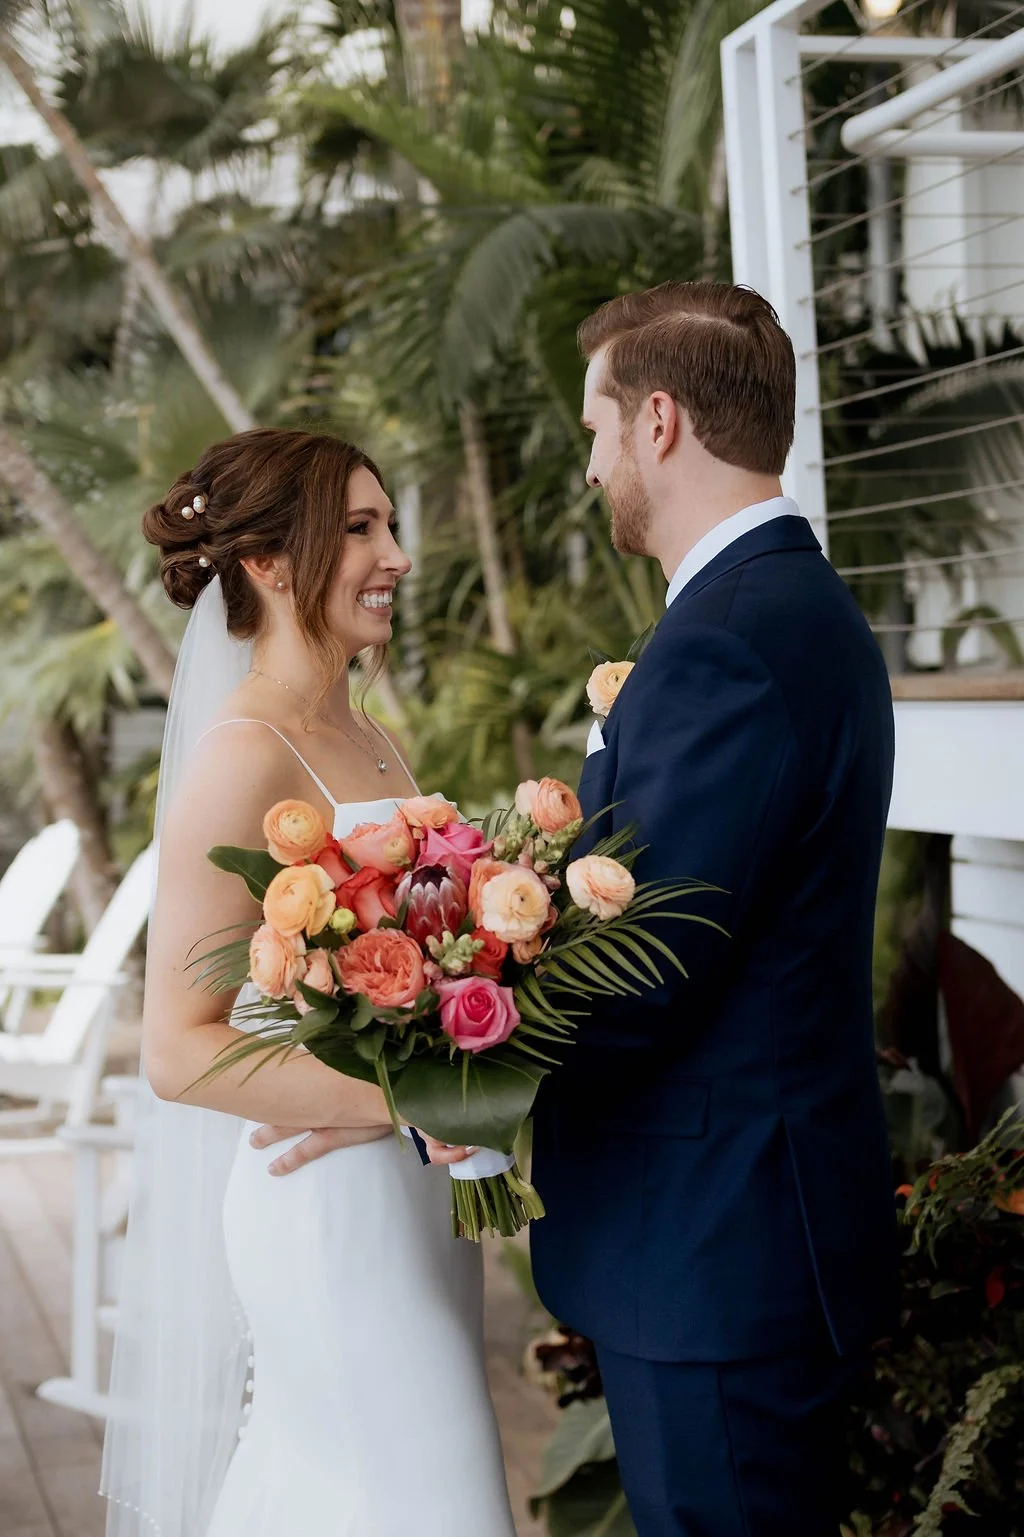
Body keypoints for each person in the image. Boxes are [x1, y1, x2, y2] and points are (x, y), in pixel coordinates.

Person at [434, 282, 901, 1534]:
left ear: (656, 423)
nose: (589, 468)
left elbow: (642, 968)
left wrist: (456, 1056)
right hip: (741, 1234)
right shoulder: (786, 611)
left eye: (594, 430)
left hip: (716, 1247)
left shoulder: (728, 639)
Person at [101, 428, 515, 1537]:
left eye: (392, 524)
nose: (398, 555)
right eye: (361, 528)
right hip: (327, 1217)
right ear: (271, 563)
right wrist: (413, 1097)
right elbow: (178, 1047)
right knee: (437, 1501)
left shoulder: (362, 730)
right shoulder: (243, 752)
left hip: (413, 1201)